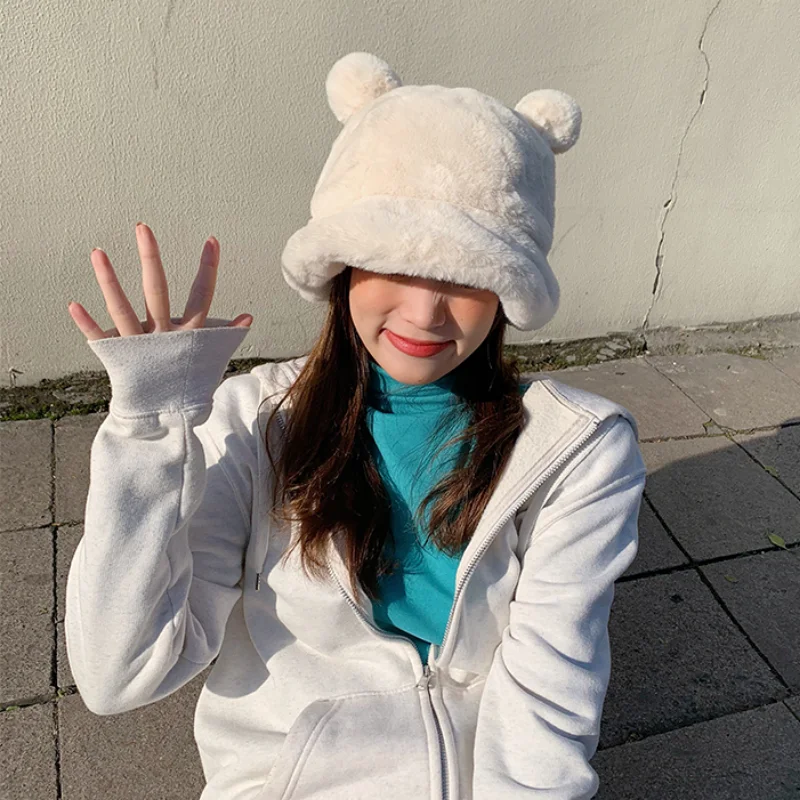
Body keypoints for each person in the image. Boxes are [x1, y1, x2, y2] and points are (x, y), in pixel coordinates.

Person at [64, 51, 646, 800]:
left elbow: (550, 691)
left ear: (508, 287)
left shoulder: (576, 452)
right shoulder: (256, 426)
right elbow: (118, 675)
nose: (425, 313)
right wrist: (149, 430)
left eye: (469, 274)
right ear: (344, 264)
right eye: (395, 263)